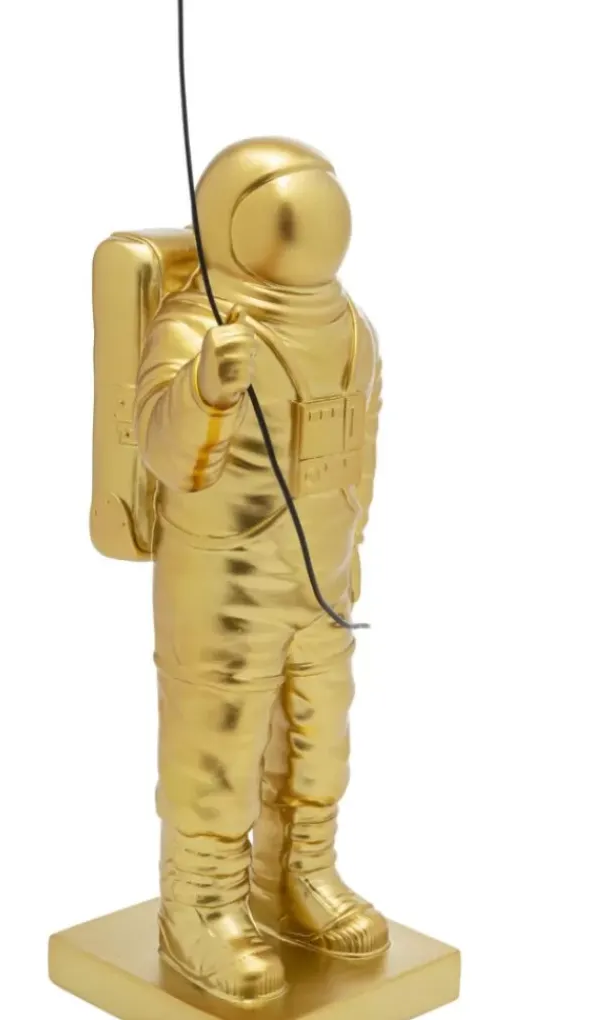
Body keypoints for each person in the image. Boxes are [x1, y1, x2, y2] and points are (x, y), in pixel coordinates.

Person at [135, 138, 388, 1007]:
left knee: (319, 733)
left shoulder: (350, 325)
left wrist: (352, 543)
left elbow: (365, 440)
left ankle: (300, 874)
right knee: (217, 740)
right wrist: (205, 389)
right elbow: (166, 453)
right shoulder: (199, 325)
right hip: (225, 579)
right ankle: (200, 904)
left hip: (323, 573)